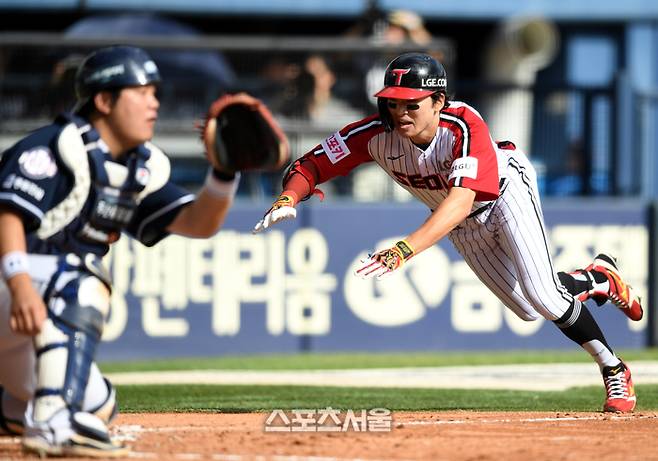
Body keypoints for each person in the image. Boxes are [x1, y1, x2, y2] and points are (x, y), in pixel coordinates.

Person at [253, 52, 643, 413]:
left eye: (412, 103)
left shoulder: (463, 124)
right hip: (457, 219)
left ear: (438, 102)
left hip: (505, 195)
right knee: (526, 310)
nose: (400, 112)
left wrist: (405, 249)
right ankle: (595, 278)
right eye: (392, 102)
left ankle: (613, 368)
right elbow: (313, 165)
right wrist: (289, 197)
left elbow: (459, 200)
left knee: (544, 297)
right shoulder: (374, 133)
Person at [0, 45, 240, 457]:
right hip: (14, 286)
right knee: (82, 279)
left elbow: (198, 224)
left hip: (27, 313)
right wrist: (21, 286)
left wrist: (223, 174)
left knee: (98, 406)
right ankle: (54, 425)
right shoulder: (55, 147)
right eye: (142, 92)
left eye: (155, 92)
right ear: (105, 100)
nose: (154, 103)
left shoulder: (135, 167)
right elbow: (7, 215)